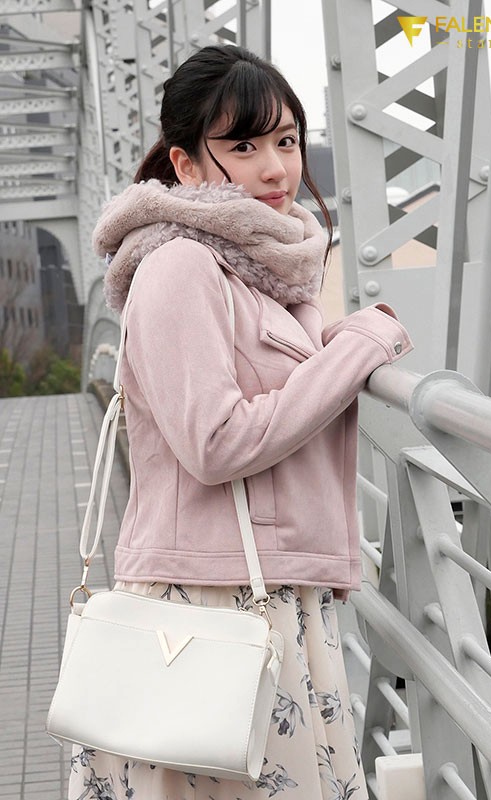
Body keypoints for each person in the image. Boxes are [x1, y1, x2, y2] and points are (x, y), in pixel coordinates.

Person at [70, 44, 412, 800]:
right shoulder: (180, 265)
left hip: (276, 593)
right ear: (186, 165)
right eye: (244, 146)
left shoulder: (264, 272)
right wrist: (358, 346)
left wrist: (332, 344)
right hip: (212, 603)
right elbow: (215, 442)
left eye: (286, 141)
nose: (276, 168)